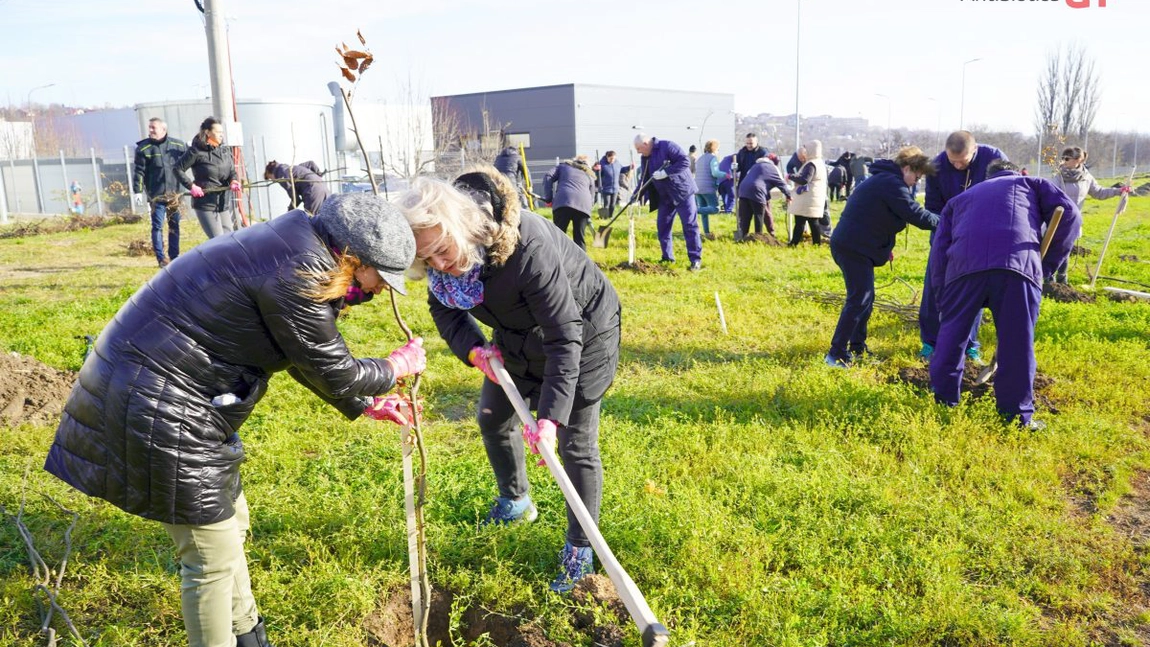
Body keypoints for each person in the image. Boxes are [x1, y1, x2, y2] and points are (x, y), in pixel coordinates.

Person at [43, 192, 425, 647]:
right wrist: (395, 366)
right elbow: (335, 367)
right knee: (209, 557)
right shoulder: (299, 271)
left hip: (176, 396)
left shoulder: (296, 246)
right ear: (353, 255)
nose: (382, 289)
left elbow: (299, 353)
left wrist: (365, 404)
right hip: (158, 404)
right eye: (380, 277)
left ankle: (248, 636)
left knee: (229, 527)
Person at [395, 166, 621, 594]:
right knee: (494, 417)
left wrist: (551, 419)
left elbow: (563, 334)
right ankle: (516, 501)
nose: (440, 264)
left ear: (462, 227)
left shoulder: (525, 248)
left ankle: (579, 548)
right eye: (428, 260)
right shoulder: (441, 259)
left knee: (574, 444)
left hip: (583, 333)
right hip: (514, 337)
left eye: (443, 250)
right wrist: (475, 350)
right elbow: (445, 309)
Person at [928, 160, 1080, 427]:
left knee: (952, 336)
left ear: (984, 178)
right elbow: (1070, 214)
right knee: (1016, 343)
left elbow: (939, 251)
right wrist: (1045, 267)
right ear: (1017, 171)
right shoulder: (1032, 183)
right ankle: (1016, 416)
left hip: (963, 270)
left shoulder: (960, 199)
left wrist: (943, 297)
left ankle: (944, 402)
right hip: (1016, 268)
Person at [825, 147, 940, 367]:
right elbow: (916, 215)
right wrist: (948, 221)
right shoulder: (891, 183)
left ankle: (857, 349)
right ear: (907, 168)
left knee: (865, 299)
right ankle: (835, 354)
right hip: (853, 247)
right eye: (916, 177)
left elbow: (876, 216)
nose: (915, 182)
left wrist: (883, 246)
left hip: (857, 246)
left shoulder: (886, 180)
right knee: (859, 299)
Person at [919, 131, 1007, 362]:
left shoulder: (993, 158)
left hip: (981, 234)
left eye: (963, 161)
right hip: (945, 231)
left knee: (973, 287)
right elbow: (932, 206)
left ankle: (970, 345)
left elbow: (1006, 193)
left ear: (975, 149)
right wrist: (946, 233)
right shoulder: (936, 166)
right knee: (933, 284)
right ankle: (930, 342)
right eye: (953, 161)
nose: (957, 166)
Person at [1047, 146, 1131, 284]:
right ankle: (1048, 279)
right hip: (1055, 218)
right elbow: (1049, 194)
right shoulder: (1057, 175)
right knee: (1053, 249)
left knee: (1065, 250)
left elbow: (1099, 192)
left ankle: (1062, 281)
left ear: (1078, 160)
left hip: (1072, 220)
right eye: (1062, 158)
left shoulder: (1086, 178)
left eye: (1067, 158)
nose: (1064, 161)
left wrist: (1118, 191)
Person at [634, 133, 703, 271]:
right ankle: (667, 257)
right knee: (663, 227)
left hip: (682, 192)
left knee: (689, 226)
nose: (638, 152)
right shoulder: (645, 157)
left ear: (646, 144)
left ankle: (695, 260)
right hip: (665, 197)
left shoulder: (668, 146)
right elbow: (645, 178)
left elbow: (685, 162)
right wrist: (636, 195)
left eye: (639, 148)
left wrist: (666, 172)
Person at [134, 117, 193, 267]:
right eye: (150, 128)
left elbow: (190, 161)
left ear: (163, 129)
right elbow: (139, 172)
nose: (150, 131)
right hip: (156, 196)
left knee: (174, 225)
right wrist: (137, 192)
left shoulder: (177, 145)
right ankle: (161, 258)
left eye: (153, 128)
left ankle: (174, 256)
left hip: (175, 195)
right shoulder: (144, 149)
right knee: (157, 226)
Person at [178, 117, 242, 239]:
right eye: (218, 132)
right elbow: (177, 169)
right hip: (205, 203)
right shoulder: (196, 151)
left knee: (230, 239)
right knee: (218, 241)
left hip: (222, 203)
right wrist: (191, 186)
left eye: (222, 132)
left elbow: (232, 171)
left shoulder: (224, 150)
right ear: (207, 132)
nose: (221, 135)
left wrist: (233, 180)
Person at [541, 155, 597, 250]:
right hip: (584, 205)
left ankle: (557, 261)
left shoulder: (563, 166)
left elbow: (548, 176)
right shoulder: (589, 174)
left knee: (558, 236)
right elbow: (592, 195)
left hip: (563, 202)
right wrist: (588, 209)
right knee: (579, 238)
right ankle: (581, 263)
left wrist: (548, 198)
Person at [736, 155, 791, 241]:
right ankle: (758, 238)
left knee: (745, 218)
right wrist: (789, 195)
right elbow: (781, 183)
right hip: (757, 191)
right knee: (758, 216)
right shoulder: (773, 168)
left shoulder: (754, 166)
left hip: (743, 190)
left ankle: (742, 238)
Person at [787, 140, 829, 247]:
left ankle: (793, 243)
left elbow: (804, 179)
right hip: (814, 197)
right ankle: (816, 244)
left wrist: (790, 176)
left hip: (808, 198)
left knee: (800, 221)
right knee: (813, 222)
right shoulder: (820, 162)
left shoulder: (811, 164)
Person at [264, 160, 329, 214]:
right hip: (323, 186)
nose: (273, 181)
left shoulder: (281, 176)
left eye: (270, 178)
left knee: (311, 223)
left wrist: (288, 212)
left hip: (313, 193)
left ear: (271, 173)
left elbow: (296, 198)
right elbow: (311, 163)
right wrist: (318, 174)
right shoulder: (294, 168)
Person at [694, 139, 726, 237]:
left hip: (697, 188)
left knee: (705, 211)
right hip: (707, 188)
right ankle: (693, 211)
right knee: (715, 209)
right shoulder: (713, 158)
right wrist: (726, 175)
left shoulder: (700, 158)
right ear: (715, 149)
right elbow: (715, 173)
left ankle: (707, 233)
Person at [596, 150, 634, 217]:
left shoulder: (617, 163)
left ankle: (611, 216)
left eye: (613, 158)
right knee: (606, 203)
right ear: (607, 157)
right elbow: (598, 175)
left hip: (615, 188)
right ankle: (605, 217)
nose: (612, 160)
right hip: (605, 188)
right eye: (611, 159)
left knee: (613, 204)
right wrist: (597, 170)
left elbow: (622, 169)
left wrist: (629, 167)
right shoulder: (602, 164)